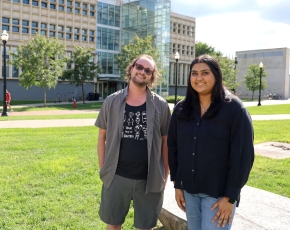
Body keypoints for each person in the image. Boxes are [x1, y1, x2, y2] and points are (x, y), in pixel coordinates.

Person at [168, 55, 254, 230]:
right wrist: (178, 184)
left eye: (205, 73)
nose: (199, 78)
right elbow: (173, 147)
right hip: (189, 192)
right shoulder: (181, 109)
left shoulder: (234, 109)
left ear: (216, 76)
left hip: (218, 195)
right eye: (194, 73)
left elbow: (242, 156)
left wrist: (231, 197)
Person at [95, 54, 171, 230]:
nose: (142, 72)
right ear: (131, 68)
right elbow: (101, 137)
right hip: (116, 177)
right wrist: (104, 169)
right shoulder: (111, 101)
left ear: (152, 76)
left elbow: (166, 142)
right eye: (139, 66)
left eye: (148, 70)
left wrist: (164, 176)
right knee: (113, 225)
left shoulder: (161, 105)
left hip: (149, 179)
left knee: (145, 227)